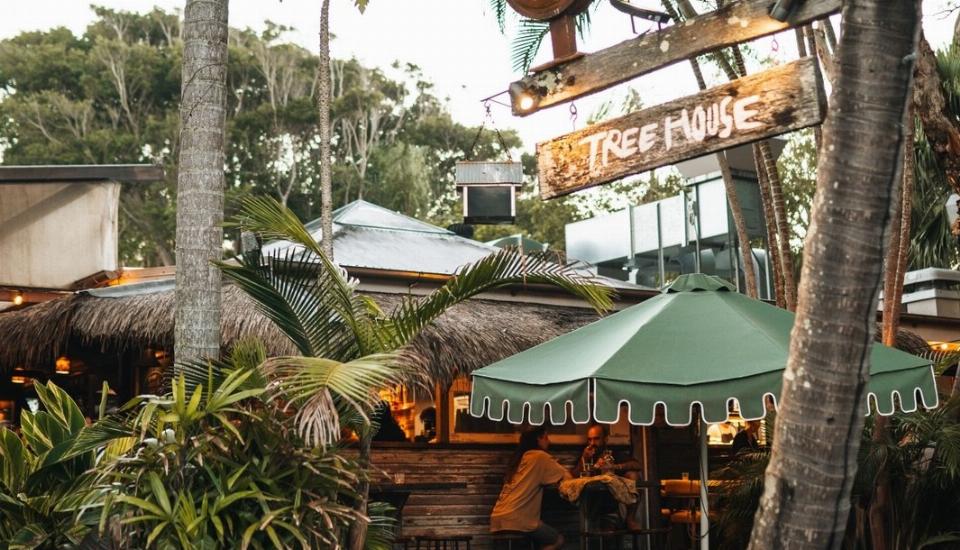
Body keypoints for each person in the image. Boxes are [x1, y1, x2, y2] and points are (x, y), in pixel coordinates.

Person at [490, 427, 571, 550]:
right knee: (558, 540)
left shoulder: (519, 459)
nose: (549, 441)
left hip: (497, 520)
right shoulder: (540, 457)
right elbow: (568, 478)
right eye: (546, 437)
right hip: (519, 521)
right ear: (538, 438)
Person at [577, 424, 644, 531]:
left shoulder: (612, 455)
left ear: (605, 439)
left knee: (633, 475)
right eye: (589, 440)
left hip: (612, 505)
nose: (592, 443)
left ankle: (630, 518)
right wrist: (584, 459)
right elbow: (574, 475)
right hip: (591, 503)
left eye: (596, 439)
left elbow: (637, 465)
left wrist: (614, 466)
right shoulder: (585, 455)